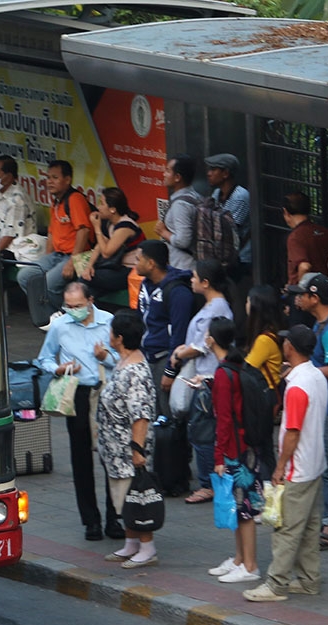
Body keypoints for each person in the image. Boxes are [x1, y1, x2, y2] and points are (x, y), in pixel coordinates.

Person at [243, 325, 327, 602]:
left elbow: (292, 431)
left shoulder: (297, 386)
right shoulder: (317, 376)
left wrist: (280, 467)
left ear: (290, 347)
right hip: (316, 464)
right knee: (310, 527)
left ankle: (277, 584)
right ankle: (308, 580)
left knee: (287, 529)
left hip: (298, 468)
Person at [37, 281, 122, 541]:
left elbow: (124, 358)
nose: (73, 310)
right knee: (80, 458)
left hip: (106, 391)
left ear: (90, 301)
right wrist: (57, 369)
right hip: (77, 392)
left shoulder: (109, 322)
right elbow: (45, 358)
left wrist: (105, 357)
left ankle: (114, 518)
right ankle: (91, 521)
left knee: (111, 457)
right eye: (68, 306)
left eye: (78, 306)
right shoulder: (61, 325)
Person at [289, 272, 328, 549]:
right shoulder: (320, 324)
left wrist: (305, 370)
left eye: (302, 294)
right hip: (325, 404)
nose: (297, 298)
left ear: (314, 298)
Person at [98, 310, 158, 569]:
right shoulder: (124, 361)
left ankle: (147, 546)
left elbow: (140, 416)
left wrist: (137, 449)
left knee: (136, 497)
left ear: (119, 337)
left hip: (127, 450)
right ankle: (131, 542)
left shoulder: (135, 371)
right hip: (115, 450)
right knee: (123, 498)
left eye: (112, 331)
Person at [173, 260, 234, 504]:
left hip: (208, 378)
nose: (192, 280)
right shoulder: (212, 305)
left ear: (206, 282)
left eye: (195, 277)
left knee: (203, 432)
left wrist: (180, 354)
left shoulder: (217, 309)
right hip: (204, 377)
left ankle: (209, 483)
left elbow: (203, 345)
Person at [207, 317, 262, 584]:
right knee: (239, 507)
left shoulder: (222, 373)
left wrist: (219, 457)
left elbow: (224, 419)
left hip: (235, 449)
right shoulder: (235, 365)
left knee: (244, 509)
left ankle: (250, 565)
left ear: (211, 340)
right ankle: (240, 559)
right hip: (245, 445)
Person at [17, 160, 91, 328]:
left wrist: (73, 261)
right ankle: (51, 316)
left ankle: (71, 318)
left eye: (55, 177)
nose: (49, 181)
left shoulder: (75, 199)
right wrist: (47, 259)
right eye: (48, 177)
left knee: (49, 284)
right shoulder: (56, 201)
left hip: (81, 256)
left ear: (67, 180)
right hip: (57, 255)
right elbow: (51, 232)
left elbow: (84, 231)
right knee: (25, 277)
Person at [136, 239, 196, 415]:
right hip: (147, 357)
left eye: (138, 259)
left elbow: (179, 334)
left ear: (151, 263)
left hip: (165, 359)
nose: (134, 263)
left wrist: (170, 371)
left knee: (167, 414)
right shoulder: (145, 285)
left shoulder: (178, 292)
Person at [78, 187, 144, 298]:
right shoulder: (111, 223)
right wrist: (89, 266)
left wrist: (97, 228)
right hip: (117, 267)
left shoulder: (125, 226)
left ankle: (76, 307)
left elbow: (106, 253)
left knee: (86, 279)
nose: (98, 207)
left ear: (112, 209)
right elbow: (100, 246)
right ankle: (80, 309)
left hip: (130, 271)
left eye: (102, 204)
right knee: (84, 274)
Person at [283, 190, 328, 289]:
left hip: (307, 296)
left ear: (286, 212)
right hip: (322, 292)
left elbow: (304, 266)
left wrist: (301, 290)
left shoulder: (295, 237)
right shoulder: (323, 231)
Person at [206, 154, 251, 280]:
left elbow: (230, 229)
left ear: (225, 174)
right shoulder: (217, 193)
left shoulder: (240, 196)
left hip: (240, 257)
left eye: (213, 170)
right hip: (224, 255)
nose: (209, 174)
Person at [157, 154, 201, 272]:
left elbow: (183, 240)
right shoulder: (194, 196)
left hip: (183, 266)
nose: (164, 174)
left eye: (167, 171)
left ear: (177, 177)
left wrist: (163, 232)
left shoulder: (181, 205)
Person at [243, 285, 284, 391]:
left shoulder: (264, 340)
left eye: (248, 301)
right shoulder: (271, 331)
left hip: (266, 394)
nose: (246, 305)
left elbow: (247, 369)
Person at [0, 155, 34, 254]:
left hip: (15, 250)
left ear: (9, 176)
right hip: (63, 256)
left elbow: (9, 236)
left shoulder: (17, 200)